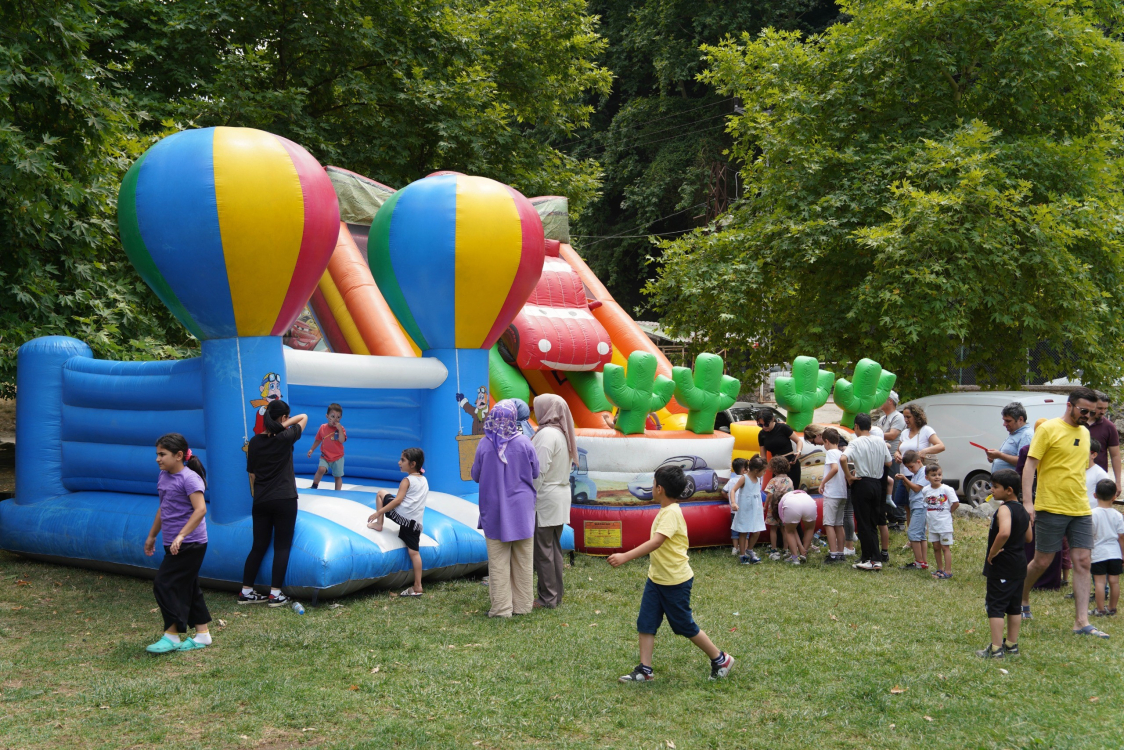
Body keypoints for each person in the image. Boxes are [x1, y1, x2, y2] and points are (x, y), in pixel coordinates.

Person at [610, 465, 735, 683]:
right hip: (657, 578)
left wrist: (625, 557)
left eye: (653, 484)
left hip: (675, 581)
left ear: (659, 488)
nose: (652, 487)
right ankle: (644, 670)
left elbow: (657, 542)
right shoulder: (667, 510)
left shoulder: (671, 513)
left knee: (684, 625)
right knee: (646, 622)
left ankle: (720, 658)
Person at [1020, 387, 1108, 638]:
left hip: (1080, 507)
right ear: (1069, 406)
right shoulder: (1048, 429)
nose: (1088, 416)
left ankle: (1082, 621)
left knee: (1083, 561)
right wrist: (1028, 503)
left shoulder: (1084, 431)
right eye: (1084, 410)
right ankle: (1021, 596)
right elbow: (1030, 465)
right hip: (1051, 506)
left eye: (1091, 413)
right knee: (1042, 561)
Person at [144, 434, 212, 653]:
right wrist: (153, 535)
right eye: (157, 454)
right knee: (190, 587)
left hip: (191, 543)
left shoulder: (190, 478)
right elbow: (163, 509)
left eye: (162, 454)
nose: (158, 459)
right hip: (171, 542)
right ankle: (203, 635)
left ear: (179, 455)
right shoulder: (163, 476)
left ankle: (172, 635)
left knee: (164, 584)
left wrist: (181, 536)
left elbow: (200, 509)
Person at [472, 401, 540, 618]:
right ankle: (522, 605)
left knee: (498, 562)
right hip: (522, 510)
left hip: (494, 511)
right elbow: (535, 472)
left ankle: (501, 609)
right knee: (523, 560)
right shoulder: (525, 443)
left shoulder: (484, 444)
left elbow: (475, 475)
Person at [241, 400, 307, 607]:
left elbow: (252, 474)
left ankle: (246, 591)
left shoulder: (254, 442)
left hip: (260, 500)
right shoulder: (286, 437)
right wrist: (283, 425)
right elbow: (304, 417)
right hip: (284, 498)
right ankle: (275, 593)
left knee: (258, 546)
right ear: (284, 418)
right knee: (282, 546)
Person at [976, 469, 1032, 659]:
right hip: (1019, 564)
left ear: (1009, 490)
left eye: (995, 487)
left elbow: (1005, 532)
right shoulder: (1023, 510)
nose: (992, 489)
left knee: (996, 606)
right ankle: (1012, 645)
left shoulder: (1004, 509)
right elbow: (1029, 537)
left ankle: (996, 649)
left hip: (1003, 565)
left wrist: (992, 552)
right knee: (1014, 607)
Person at [530, 394, 576, 609]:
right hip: (559, 495)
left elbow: (537, 471)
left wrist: (529, 496)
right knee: (552, 548)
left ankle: (547, 597)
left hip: (545, 498)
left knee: (543, 550)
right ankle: (555, 594)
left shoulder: (547, 434)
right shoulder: (561, 432)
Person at [367, 448, 428, 597]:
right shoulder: (424, 479)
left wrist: (378, 512)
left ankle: (379, 524)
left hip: (401, 516)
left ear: (412, 464)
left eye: (402, 460)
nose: (399, 462)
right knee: (414, 552)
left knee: (381, 493)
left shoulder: (407, 480)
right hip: (415, 523)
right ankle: (418, 586)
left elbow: (398, 500)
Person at [840, 413, 892, 571]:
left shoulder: (855, 442)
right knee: (872, 522)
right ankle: (869, 556)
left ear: (856, 426)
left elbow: (843, 459)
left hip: (862, 483)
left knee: (863, 523)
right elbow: (888, 462)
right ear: (870, 426)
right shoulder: (880, 441)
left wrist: (849, 476)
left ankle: (873, 559)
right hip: (877, 484)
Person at [1090, 478, 1124, 617]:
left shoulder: (1092, 514)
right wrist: (1122, 554)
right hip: (1115, 553)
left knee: (1099, 582)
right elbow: (1121, 537)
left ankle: (1100, 609)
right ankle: (1112, 608)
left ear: (1094, 495)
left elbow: (1090, 535)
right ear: (1115, 497)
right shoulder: (1118, 515)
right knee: (1114, 582)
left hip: (1098, 553)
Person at [921, 465, 959, 579]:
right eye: (933, 475)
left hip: (944, 524)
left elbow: (956, 503)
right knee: (936, 546)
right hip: (933, 524)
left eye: (939, 474)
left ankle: (947, 571)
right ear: (927, 477)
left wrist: (948, 513)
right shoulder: (925, 490)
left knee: (944, 547)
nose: (937, 477)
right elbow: (926, 504)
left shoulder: (947, 489)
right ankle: (940, 569)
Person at [895, 450, 930, 570]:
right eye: (907, 468)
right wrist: (906, 483)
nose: (910, 469)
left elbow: (916, 489)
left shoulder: (924, 472)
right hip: (916, 505)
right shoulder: (916, 473)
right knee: (920, 535)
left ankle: (919, 562)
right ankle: (923, 562)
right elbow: (911, 490)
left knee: (913, 533)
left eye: (911, 466)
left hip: (921, 506)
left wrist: (905, 478)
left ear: (918, 461)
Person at [729, 455, 767, 564]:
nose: (764, 474)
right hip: (745, 510)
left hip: (755, 510)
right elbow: (733, 490)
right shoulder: (744, 478)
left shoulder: (758, 479)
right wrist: (734, 503)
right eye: (763, 471)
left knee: (757, 531)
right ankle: (742, 555)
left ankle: (749, 549)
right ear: (756, 470)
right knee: (743, 532)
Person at [878, 391, 907, 528]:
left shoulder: (898, 417)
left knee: (894, 487)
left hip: (893, 457)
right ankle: (891, 518)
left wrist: (875, 435)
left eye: (882, 399)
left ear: (890, 401)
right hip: (883, 457)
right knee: (885, 487)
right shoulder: (883, 418)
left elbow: (893, 435)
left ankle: (900, 519)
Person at [820, 428, 849, 564]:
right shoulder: (841, 453)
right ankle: (840, 552)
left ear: (826, 441)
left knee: (829, 524)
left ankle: (833, 554)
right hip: (842, 493)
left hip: (832, 493)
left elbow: (835, 469)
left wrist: (823, 482)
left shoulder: (831, 452)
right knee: (838, 524)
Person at [1087, 392, 1122, 496]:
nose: (1103, 412)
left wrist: (1118, 482)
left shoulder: (1109, 427)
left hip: (1099, 478)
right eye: (1099, 408)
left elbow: (1115, 455)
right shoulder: (1078, 424)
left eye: (1105, 408)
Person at [756, 412, 802, 488]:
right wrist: (763, 467)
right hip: (776, 466)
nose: (764, 427)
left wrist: (798, 452)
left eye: (766, 424)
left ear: (772, 420)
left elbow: (798, 441)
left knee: (792, 489)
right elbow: (763, 456)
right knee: (777, 490)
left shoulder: (783, 428)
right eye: (760, 425)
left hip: (790, 462)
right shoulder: (762, 434)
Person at [308, 403, 347, 490]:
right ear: (327, 416)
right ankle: (314, 486)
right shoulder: (323, 427)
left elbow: (342, 440)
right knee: (321, 469)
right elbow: (318, 440)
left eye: (338, 417)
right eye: (332, 416)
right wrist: (312, 449)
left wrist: (340, 429)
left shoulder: (341, 429)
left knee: (338, 476)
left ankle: (337, 492)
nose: (335, 419)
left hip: (338, 457)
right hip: (325, 456)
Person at [985, 402, 1033, 475]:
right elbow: (1009, 455)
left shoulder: (1026, 434)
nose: (1004, 424)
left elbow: (1023, 462)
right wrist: (995, 457)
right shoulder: (1015, 432)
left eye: (1008, 421)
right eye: (1004, 420)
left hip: (1011, 484)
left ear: (1020, 419)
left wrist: (999, 455)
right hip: (1001, 483)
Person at [763, 456, 794, 558]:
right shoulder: (789, 480)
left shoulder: (774, 480)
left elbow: (770, 494)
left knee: (773, 529)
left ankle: (774, 548)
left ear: (774, 468)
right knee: (784, 529)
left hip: (774, 507)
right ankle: (785, 549)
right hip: (786, 506)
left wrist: (766, 506)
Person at [778, 489, 818, 565]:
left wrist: (800, 546)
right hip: (809, 501)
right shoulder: (798, 493)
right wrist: (801, 547)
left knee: (789, 531)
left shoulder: (782, 503)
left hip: (791, 503)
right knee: (810, 528)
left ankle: (795, 558)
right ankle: (803, 554)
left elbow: (791, 530)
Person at [1086, 439, 1110, 506]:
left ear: (1094, 455)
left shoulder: (1100, 474)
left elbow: (1106, 500)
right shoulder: (1073, 470)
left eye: (1083, 451)